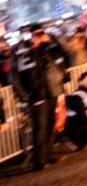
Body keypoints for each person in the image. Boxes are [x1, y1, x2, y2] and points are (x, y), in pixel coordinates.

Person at [15, 26, 67, 170]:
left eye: (41, 33)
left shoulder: (47, 48)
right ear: (30, 36)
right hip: (36, 95)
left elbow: (65, 52)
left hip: (51, 91)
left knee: (50, 124)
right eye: (37, 34)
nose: (39, 36)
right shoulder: (22, 53)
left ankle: (48, 154)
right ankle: (39, 161)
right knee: (40, 127)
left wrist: (53, 39)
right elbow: (15, 77)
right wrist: (25, 95)